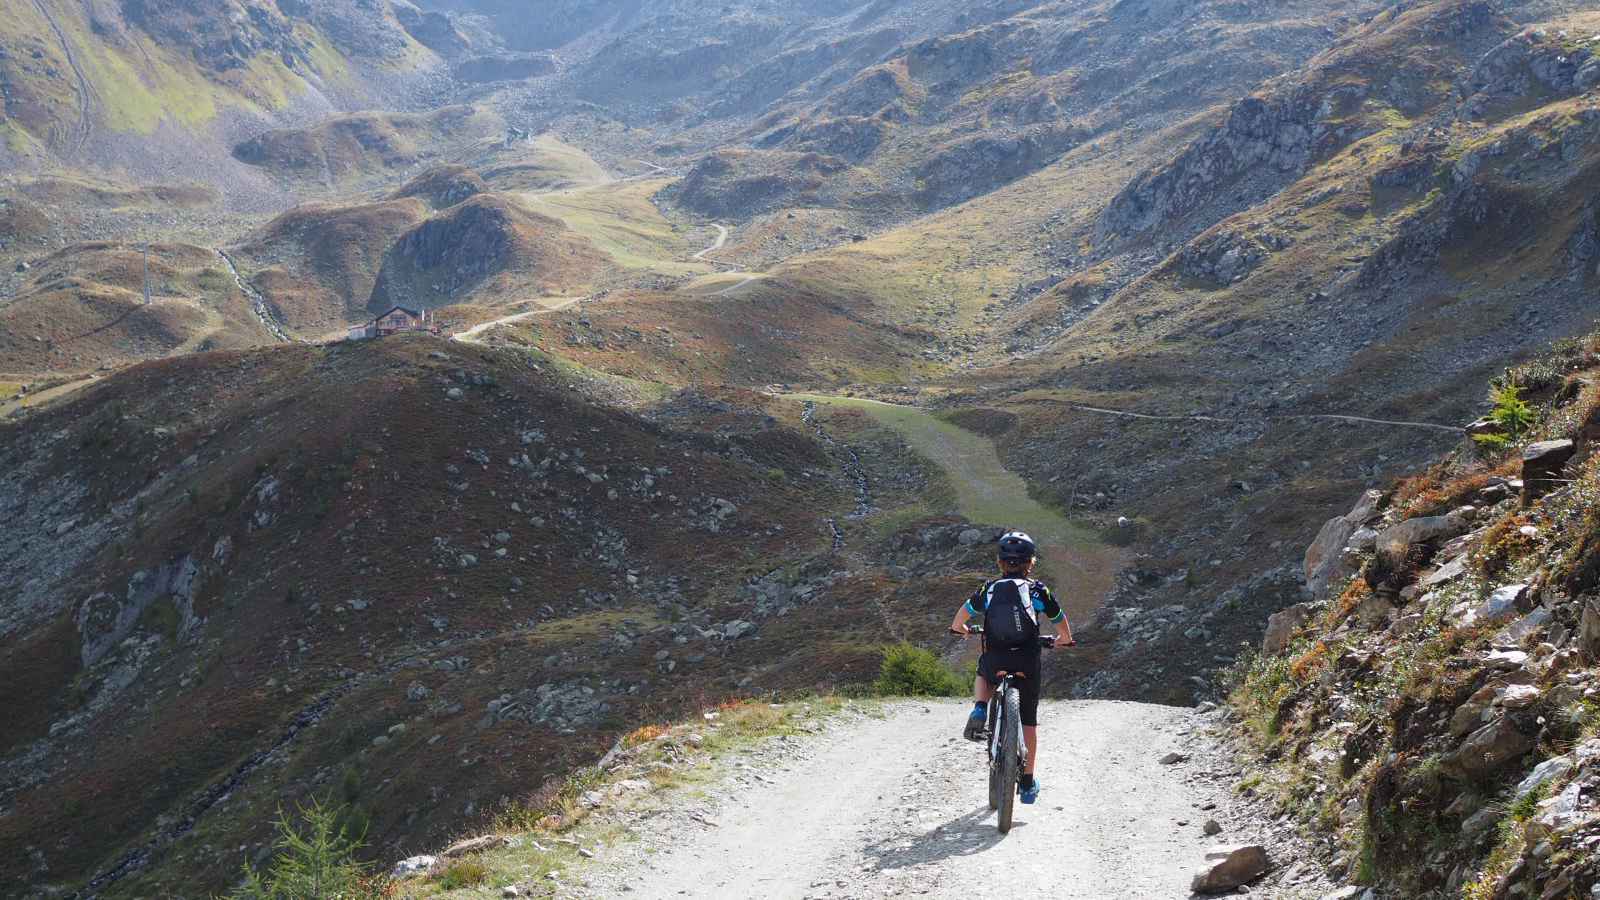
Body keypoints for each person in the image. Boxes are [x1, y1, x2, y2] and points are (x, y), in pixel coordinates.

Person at [948, 530, 1074, 804]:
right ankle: (1027, 783)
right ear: (1031, 562)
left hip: (997, 658)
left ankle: (980, 706)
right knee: (1028, 722)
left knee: (983, 672)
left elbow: (959, 620)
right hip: (1027, 661)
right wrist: (1064, 640)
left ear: (1000, 562)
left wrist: (963, 629)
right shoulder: (1039, 590)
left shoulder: (988, 589)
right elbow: (1060, 620)